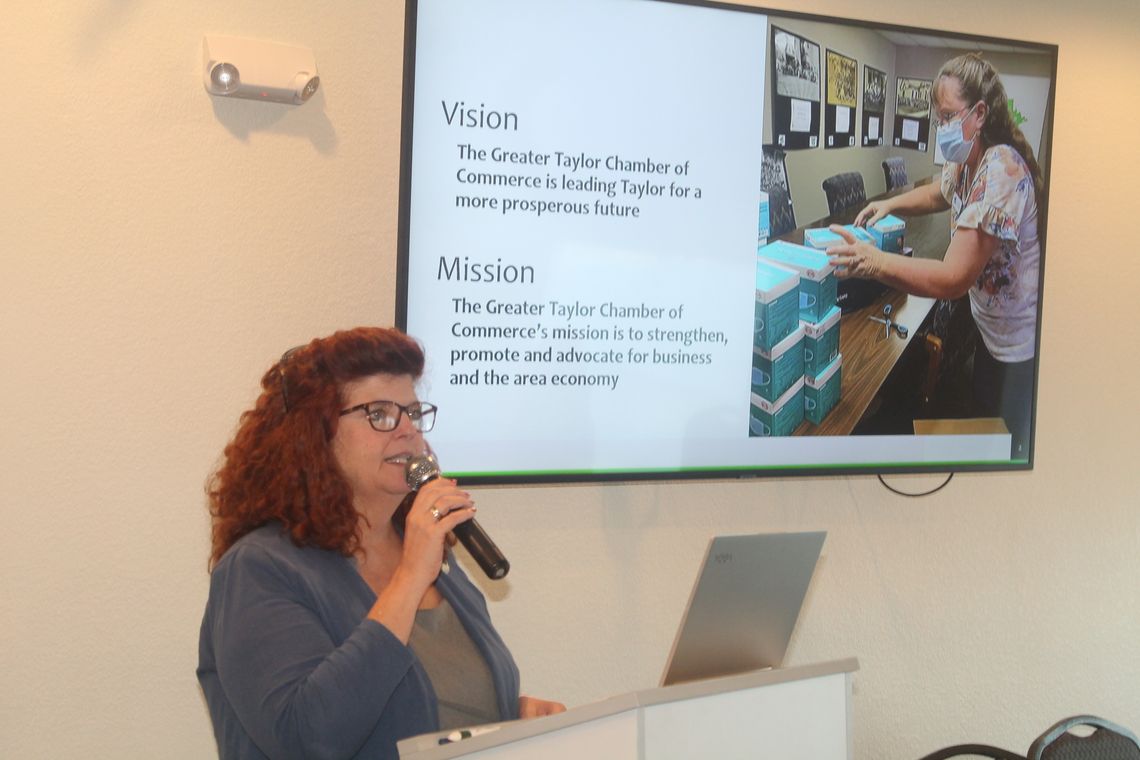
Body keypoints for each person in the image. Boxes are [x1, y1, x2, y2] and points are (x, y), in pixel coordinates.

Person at [197, 327, 564, 759]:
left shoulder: (429, 556)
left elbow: (420, 712)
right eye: (380, 413)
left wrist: (505, 722)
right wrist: (409, 578)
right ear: (313, 435)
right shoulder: (261, 569)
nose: (408, 430)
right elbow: (305, 737)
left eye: (413, 412)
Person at [828, 53, 1043, 458]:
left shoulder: (1001, 170)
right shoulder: (965, 159)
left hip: (1016, 344)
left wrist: (875, 262)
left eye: (948, 116)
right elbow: (938, 193)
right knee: (984, 421)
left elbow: (952, 278)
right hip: (988, 328)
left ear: (979, 114)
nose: (941, 127)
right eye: (938, 118)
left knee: (1009, 446)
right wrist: (890, 205)